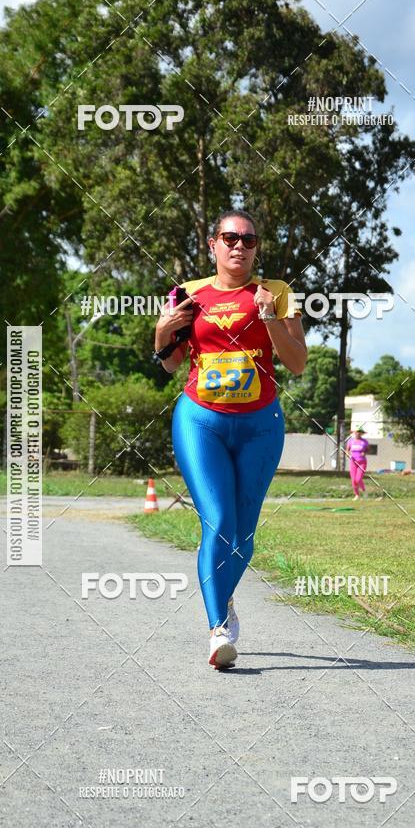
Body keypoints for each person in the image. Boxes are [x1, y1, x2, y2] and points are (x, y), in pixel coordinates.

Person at [153, 209, 307, 668]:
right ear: (212, 244)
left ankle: (224, 593)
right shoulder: (188, 294)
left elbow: (297, 363)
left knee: (243, 532)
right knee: (218, 521)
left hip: (261, 424)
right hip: (201, 420)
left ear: (257, 247)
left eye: (249, 239)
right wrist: (162, 330)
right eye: (230, 237)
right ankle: (218, 628)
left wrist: (269, 318)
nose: (239, 246)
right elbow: (168, 362)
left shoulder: (276, 293)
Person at [346, 426, 369, 500]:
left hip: (362, 462)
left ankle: (364, 492)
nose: (357, 433)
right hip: (353, 462)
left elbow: (369, 450)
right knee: (353, 480)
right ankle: (357, 495)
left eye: (359, 432)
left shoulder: (364, 441)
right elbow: (347, 450)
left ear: (361, 433)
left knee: (358, 479)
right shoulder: (351, 441)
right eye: (356, 432)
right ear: (354, 433)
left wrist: (364, 452)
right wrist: (348, 454)